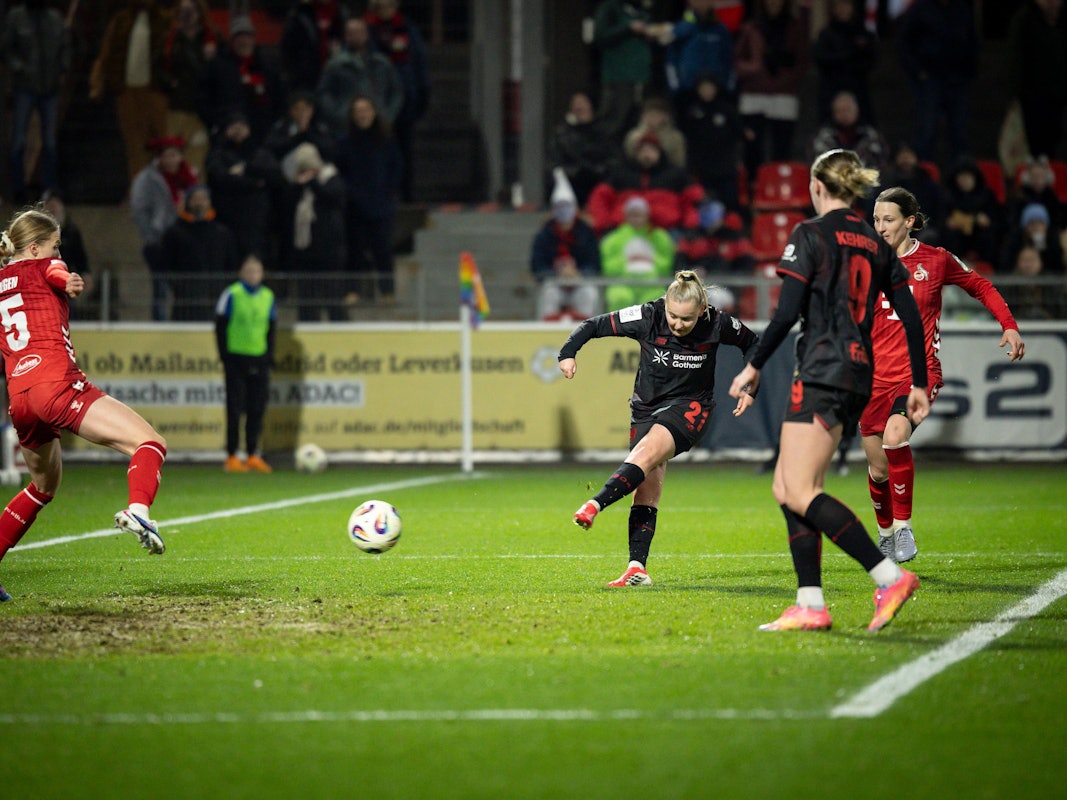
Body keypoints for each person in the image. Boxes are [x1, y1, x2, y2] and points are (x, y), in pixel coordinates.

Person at [727, 148, 931, 633]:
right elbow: (909, 313)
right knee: (788, 488)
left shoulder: (810, 234)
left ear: (817, 187)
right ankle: (811, 602)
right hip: (858, 375)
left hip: (822, 369)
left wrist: (753, 365)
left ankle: (888, 576)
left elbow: (786, 313)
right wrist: (919, 380)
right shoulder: (873, 241)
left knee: (798, 488)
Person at [0, 207, 168, 602]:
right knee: (149, 443)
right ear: (37, 247)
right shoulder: (46, 266)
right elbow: (58, 273)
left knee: (43, 486)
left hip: (20, 397)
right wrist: (70, 281)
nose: (60, 253)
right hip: (56, 384)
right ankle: (139, 512)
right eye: (56, 246)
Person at [561, 270, 759, 587]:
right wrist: (567, 353)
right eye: (673, 316)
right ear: (665, 304)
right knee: (647, 488)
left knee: (647, 452)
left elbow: (753, 344)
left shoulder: (717, 323)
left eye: (687, 319)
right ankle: (637, 568)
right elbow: (592, 326)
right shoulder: (647, 315)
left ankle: (594, 504)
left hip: (691, 407)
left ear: (701, 311)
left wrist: (751, 384)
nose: (678, 324)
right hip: (645, 407)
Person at [865, 186, 1025, 564]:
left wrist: (1009, 325)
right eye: (876, 220)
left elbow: (980, 285)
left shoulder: (935, 261)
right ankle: (885, 534)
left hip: (918, 374)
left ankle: (903, 529)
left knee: (895, 436)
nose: (880, 227)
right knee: (877, 466)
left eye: (888, 220)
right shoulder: (864, 262)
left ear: (910, 221)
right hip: (872, 378)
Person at [89, 0, 171, 187]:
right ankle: (138, 192)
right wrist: (98, 82)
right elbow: (106, 52)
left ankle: (167, 190)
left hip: (155, 90)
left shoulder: (165, 18)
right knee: (134, 146)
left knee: (164, 143)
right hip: (127, 91)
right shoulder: (121, 20)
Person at [1, 0, 71, 202]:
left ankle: (48, 188)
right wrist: (18, 67)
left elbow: (65, 45)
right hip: (25, 86)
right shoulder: (16, 17)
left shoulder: (55, 19)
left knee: (49, 142)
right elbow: (6, 47)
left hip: (49, 87)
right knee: (18, 142)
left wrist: (62, 70)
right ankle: (18, 188)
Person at [334, 94, 402, 304]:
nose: (362, 115)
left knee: (382, 250)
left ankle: (387, 292)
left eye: (366, 110)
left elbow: (397, 168)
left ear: (373, 113)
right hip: (355, 207)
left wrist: (390, 192)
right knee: (355, 251)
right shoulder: (345, 143)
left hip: (382, 206)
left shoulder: (387, 140)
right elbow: (340, 170)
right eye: (358, 111)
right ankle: (353, 291)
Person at [733, 0, 808, 180]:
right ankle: (753, 189)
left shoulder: (794, 28)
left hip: (784, 96)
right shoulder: (751, 28)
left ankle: (779, 188)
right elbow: (737, 61)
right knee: (753, 148)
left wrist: (781, 79)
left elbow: (801, 63)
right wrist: (756, 69)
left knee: (782, 148)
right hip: (754, 96)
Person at [365, 0, 431, 202]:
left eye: (389, 4)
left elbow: (419, 64)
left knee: (404, 154)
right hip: (374, 104)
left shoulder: (408, 29)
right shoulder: (367, 30)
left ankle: (406, 197)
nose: (384, 8)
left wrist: (421, 98)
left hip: (405, 103)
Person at [896, 0, 978, 164]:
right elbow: (904, 42)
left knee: (959, 131)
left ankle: (960, 176)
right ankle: (925, 174)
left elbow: (972, 40)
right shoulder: (920, 9)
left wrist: (968, 71)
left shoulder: (961, 8)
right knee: (926, 130)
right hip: (929, 79)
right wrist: (918, 71)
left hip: (957, 79)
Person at [215, 254, 276, 474]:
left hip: (259, 359)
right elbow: (220, 327)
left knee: (256, 408)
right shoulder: (232, 294)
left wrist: (269, 357)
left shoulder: (268, 296)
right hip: (235, 359)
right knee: (234, 408)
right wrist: (225, 356)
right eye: (249, 270)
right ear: (242, 273)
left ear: (262, 274)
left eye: (256, 271)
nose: (253, 275)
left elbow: (271, 329)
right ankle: (231, 455)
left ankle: (252, 455)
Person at [130, 136, 199, 320]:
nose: (171, 160)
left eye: (174, 155)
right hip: (159, 241)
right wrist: (152, 236)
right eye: (167, 156)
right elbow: (138, 210)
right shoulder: (146, 179)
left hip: (186, 239)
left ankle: (182, 320)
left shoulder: (190, 176)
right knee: (161, 287)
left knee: (185, 288)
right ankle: (159, 322)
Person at [279, 142, 347, 321]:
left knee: (332, 296)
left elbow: (332, 198)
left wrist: (313, 182)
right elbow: (286, 203)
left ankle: (339, 332)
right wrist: (299, 184)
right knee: (307, 299)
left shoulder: (331, 177)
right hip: (305, 251)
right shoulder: (297, 185)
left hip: (329, 251)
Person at [198, 15, 285, 147]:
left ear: (254, 39)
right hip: (228, 133)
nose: (244, 41)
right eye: (240, 37)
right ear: (232, 40)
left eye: (248, 37)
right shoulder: (218, 66)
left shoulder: (267, 66)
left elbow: (279, 98)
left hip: (263, 133)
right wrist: (218, 124)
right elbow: (203, 99)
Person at [159, 184, 240, 320]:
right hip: (186, 296)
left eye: (203, 199)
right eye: (196, 199)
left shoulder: (222, 232)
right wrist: (178, 285)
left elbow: (231, 263)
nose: (200, 202)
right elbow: (166, 263)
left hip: (215, 293)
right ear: (188, 202)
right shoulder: (175, 232)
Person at [530, 169, 601, 321]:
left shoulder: (586, 233)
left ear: (575, 208)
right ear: (553, 210)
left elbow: (594, 263)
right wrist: (556, 276)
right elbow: (537, 266)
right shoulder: (544, 235)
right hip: (554, 283)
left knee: (589, 293)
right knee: (548, 294)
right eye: (559, 206)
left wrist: (578, 274)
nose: (564, 210)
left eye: (567, 206)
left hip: (580, 282)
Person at [316, 16, 404, 137]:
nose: (355, 36)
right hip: (345, 125)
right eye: (351, 33)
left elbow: (396, 91)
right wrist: (337, 115)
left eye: (359, 32)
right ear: (346, 36)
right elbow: (324, 93)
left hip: (379, 124)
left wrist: (387, 115)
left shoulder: (382, 63)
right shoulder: (335, 65)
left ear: (366, 34)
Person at [160, 0, 219, 177]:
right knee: (172, 155)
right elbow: (157, 66)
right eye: (182, 10)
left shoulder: (212, 38)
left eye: (191, 10)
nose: (186, 15)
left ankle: (197, 200)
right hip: (177, 106)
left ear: (199, 12)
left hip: (202, 109)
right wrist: (168, 82)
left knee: (198, 156)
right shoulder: (169, 39)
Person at [591, 0, 664, 143]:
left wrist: (651, 33)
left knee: (639, 126)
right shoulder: (610, 7)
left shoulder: (643, 8)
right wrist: (628, 28)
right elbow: (600, 36)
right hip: (619, 78)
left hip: (642, 77)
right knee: (614, 123)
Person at [676, 73, 747, 212]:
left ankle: (732, 227)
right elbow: (688, 138)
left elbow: (740, 133)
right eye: (703, 88)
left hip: (725, 165)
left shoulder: (727, 109)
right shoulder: (692, 111)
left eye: (710, 88)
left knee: (730, 201)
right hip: (703, 166)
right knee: (706, 202)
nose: (706, 91)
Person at [1007, 0, 1067, 163]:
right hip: (1033, 93)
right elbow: (1015, 56)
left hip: (1058, 92)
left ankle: (1051, 176)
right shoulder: (1025, 17)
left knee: (1054, 138)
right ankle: (1036, 179)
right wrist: (1016, 91)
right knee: (1036, 142)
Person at [599, 196, 676, 311]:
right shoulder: (612, 240)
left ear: (647, 215)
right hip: (622, 284)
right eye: (633, 214)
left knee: (656, 301)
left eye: (640, 214)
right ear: (626, 216)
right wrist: (626, 261)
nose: (636, 218)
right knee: (620, 298)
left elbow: (668, 265)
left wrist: (650, 260)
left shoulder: (660, 237)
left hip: (652, 285)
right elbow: (607, 267)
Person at [547, 91, 620, 207]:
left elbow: (614, 162)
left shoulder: (605, 133)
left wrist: (598, 172)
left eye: (582, 103)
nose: (579, 107)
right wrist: (575, 172)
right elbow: (554, 164)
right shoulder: (562, 134)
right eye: (575, 103)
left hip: (599, 185)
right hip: (571, 187)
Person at [812, 0, 878, 126]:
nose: (843, 9)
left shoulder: (863, 34)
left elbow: (870, 60)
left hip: (858, 91)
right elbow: (822, 59)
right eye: (839, 5)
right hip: (831, 91)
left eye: (846, 5)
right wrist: (848, 55)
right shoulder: (826, 34)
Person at [809, 91, 889, 172]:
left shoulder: (870, 135)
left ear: (856, 111)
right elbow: (819, 164)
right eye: (839, 110)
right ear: (833, 113)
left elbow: (880, 163)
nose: (844, 114)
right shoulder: (823, 136)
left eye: (848, 110)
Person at [281, 0, 345, 95]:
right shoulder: (299, 13)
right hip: (306, 80)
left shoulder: (342, 12)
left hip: (335, 78)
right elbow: (288, 50)